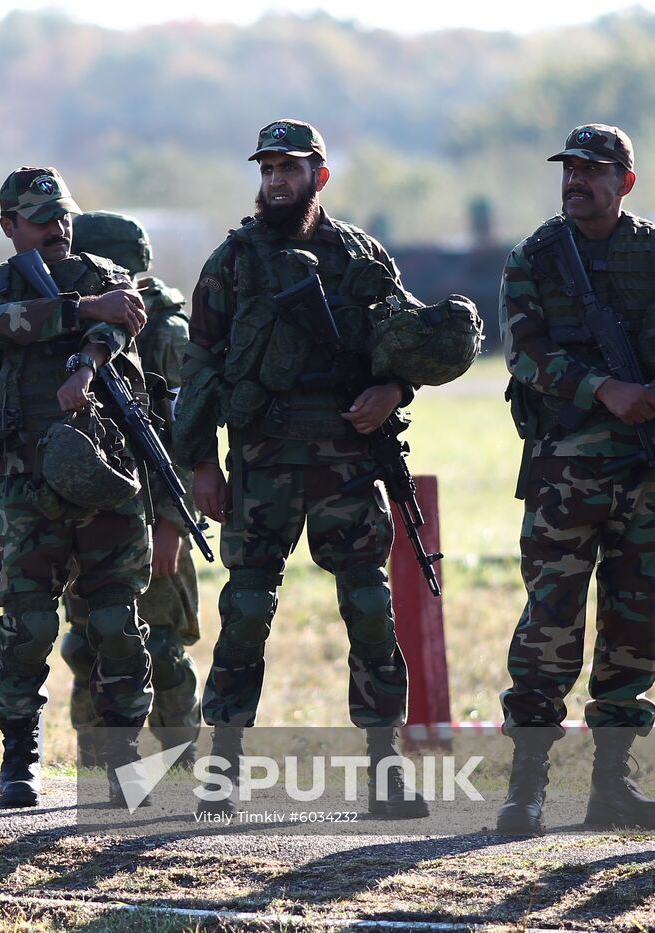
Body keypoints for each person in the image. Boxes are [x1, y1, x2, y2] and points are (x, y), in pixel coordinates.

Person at [173, 120, 427, 817]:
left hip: (347, 464)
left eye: (289, 169)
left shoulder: (358, 255)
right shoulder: (234, 261)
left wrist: (393, 392)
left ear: (320, 175)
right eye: (267, 169)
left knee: (369, 608)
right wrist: (199, 463)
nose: (275, 181)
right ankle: (221, 769)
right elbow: (200, 365)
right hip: (261, 462)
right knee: (246, 610)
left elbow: (405, 340)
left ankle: (386, 768)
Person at [496, 124, 655, 833]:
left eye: (593, 170)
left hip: (649, 471)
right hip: (566, 472)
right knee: (548, 628)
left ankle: (611, 785)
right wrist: (603, 388)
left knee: (633, 630)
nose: (576, 181)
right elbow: (523, 352)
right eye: (569, 169)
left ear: (625, 181)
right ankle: (527, 786)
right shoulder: (534, 257)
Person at [0, 166, 155, 807]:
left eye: (62, 215)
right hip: (23, 484)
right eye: (40, 220)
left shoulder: (103, 273)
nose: (56, 228)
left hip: (105, 480)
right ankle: (20, 757)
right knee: (29, 625)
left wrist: (88, 364)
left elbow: (122, 321)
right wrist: (79, 311)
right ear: (10, 226)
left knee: (117, 622)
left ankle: (123, 766)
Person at [60, 210, 202, 761]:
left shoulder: (165, 331)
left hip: (151, 510)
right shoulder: (83, 326)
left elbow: (185, 435)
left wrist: (171, 523)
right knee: (88, 642)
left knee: (162, 644)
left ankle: (181, 764)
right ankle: (100, 769)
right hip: (91, 512)